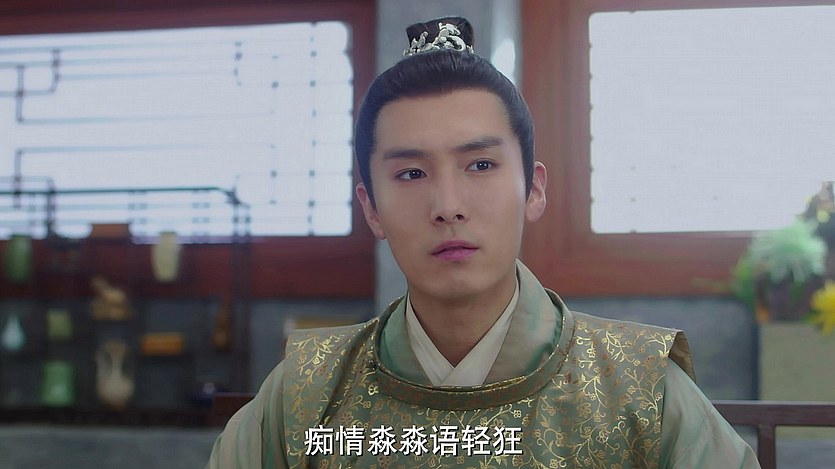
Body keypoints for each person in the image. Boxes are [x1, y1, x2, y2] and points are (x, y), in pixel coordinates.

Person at [208, 17, 759, 468]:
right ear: (371, 208)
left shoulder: (640, 390)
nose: (448, 205)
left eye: (480, 165)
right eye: (411, 174)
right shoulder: (305, 397)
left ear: (534, 189)